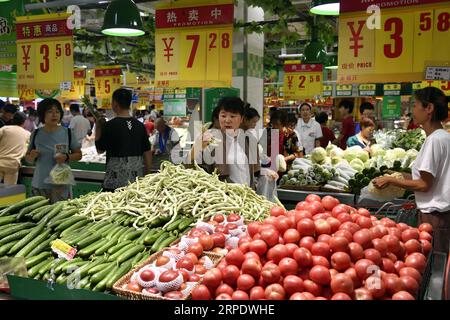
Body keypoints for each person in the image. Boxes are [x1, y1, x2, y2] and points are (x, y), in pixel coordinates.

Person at [373, 87, 450, 254]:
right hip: (442, 217)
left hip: (434, 217)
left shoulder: (434, 141)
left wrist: (391, 180)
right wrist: (395, 173)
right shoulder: (443, 137)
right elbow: (427, 177)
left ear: (429, 108)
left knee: (435, 266)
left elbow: (424, 185)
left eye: (415, 105)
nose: (411, 110)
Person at [189, 96, 260, 188]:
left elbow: (253, 172)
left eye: (232, 116)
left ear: (241, 119)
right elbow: (192, 170)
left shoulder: (247, 140)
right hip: (224, 197)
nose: (227, 120)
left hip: (247, 197)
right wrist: (196, 149)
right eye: (223, 116)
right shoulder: (210, 140)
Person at [25, 99, 82, 203]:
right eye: (50, 112)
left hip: (60, 186)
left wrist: (67, 157)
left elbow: (78, 154)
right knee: (38, 216)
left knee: (60, 217)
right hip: (39, 185)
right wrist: (31, 157)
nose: (54, 115)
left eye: (57, 112)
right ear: (42, 114)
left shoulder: (68, 133)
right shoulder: (36, 133)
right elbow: (28, 158)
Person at [95, 89, 152, 192]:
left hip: (113, 184)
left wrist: (98, 127)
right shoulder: (140, 126)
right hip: (136, 183)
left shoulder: (109, 126)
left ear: (115, 103)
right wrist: (147, 175)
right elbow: (147, 152)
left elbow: (100, 150)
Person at [0, 112, 31, 185]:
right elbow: (29, 149)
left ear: (13, 120)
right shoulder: (27, 134)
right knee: (9, 190)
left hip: (0, 161)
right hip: (13, 164)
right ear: (24, 122)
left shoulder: (4, 129)